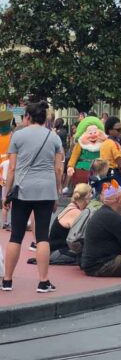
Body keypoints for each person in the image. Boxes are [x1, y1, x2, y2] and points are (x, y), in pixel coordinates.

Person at [2, 100, 64, 293]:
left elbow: (11, 168)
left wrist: (6, 194)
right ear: (45, 118)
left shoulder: (18, 136)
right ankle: (43, 281)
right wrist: (57, 192)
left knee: (16, 235)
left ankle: (7, 280)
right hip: (46, 190)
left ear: (27, 117)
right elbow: (58, 168)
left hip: (22, 190)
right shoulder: (53, 138)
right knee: (42, 236)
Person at [48, 184, 93, 265]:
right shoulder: (76, 212)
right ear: (86, 197)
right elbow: (83, 234)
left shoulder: (71, 206)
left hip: (55, 248)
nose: (92, 197)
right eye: (91, 194)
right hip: (58, 251)